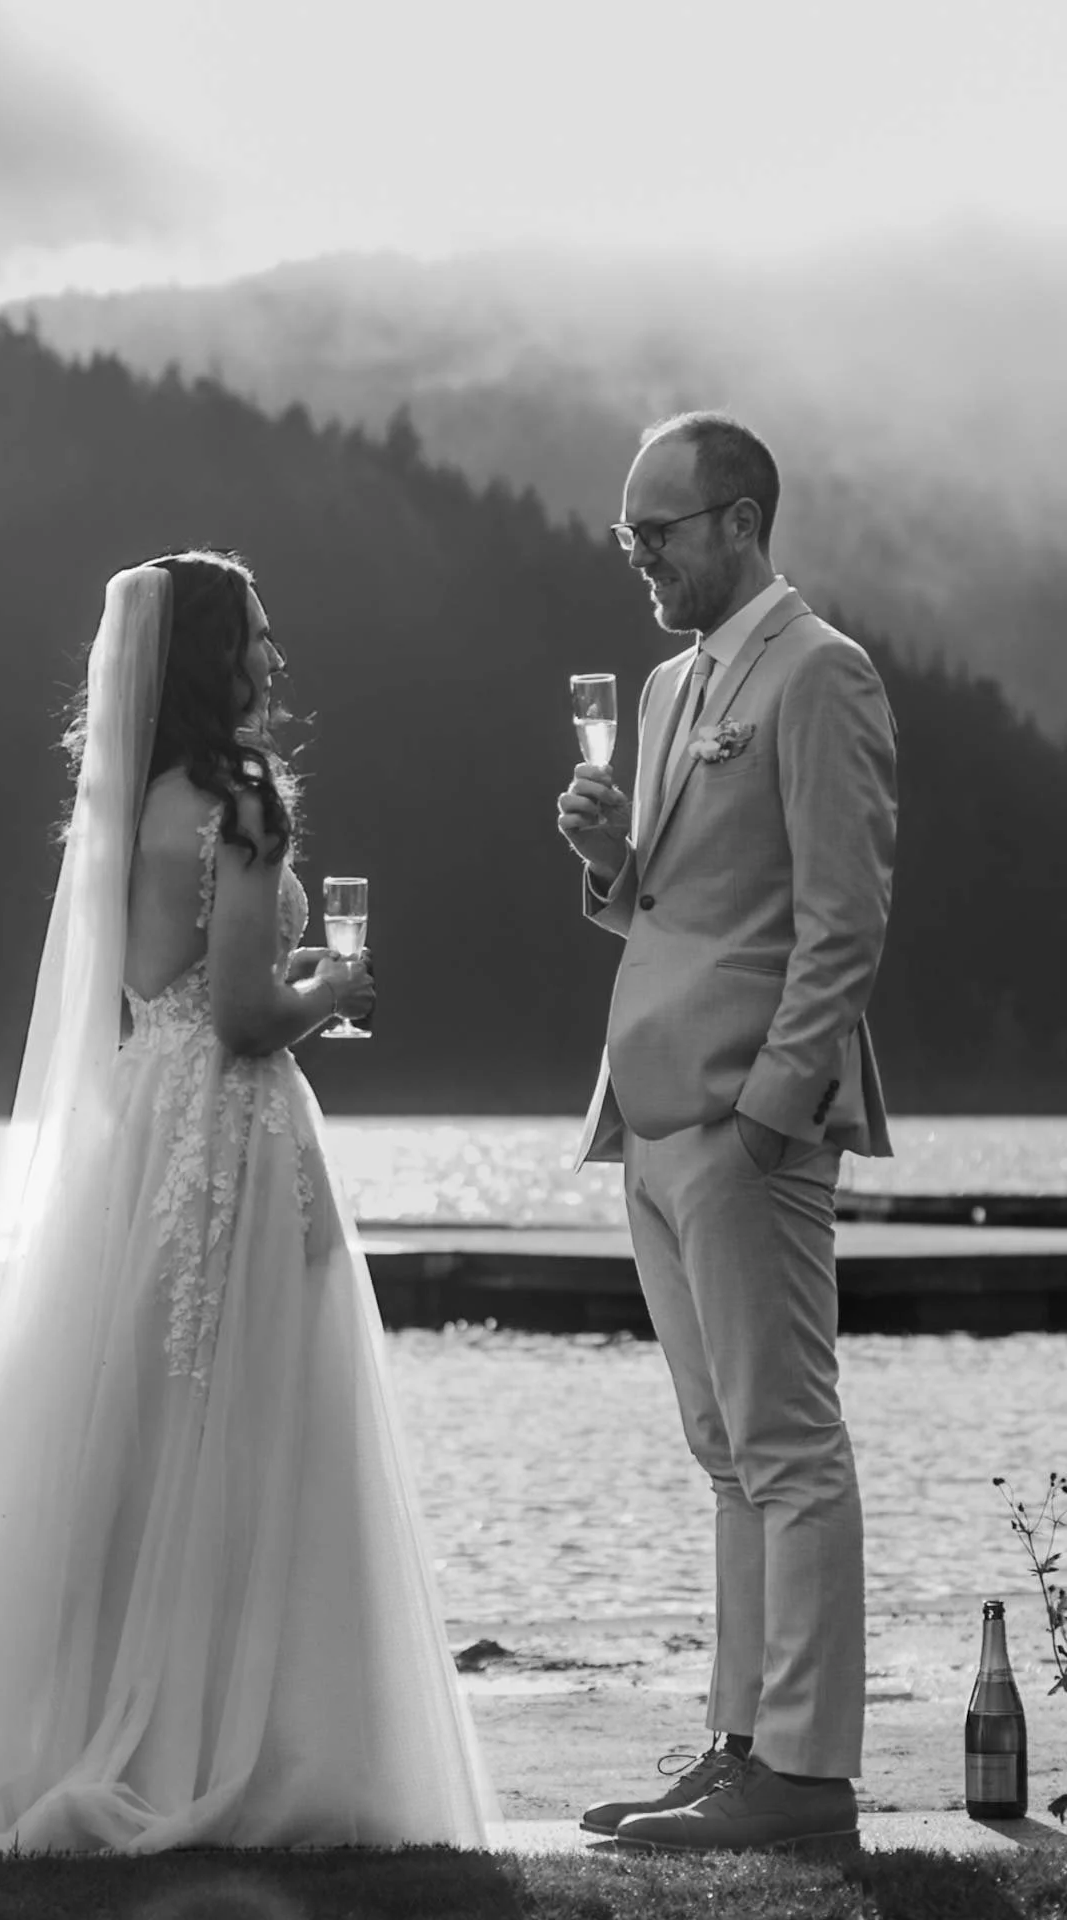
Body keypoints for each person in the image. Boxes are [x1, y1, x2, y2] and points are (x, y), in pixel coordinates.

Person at [0, 551, 495, 1856]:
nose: (275, 659)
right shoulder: (243, 802)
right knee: (243, 1433)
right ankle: (232, 1738)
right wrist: (333, 991)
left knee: (137, 1437)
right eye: (258, 638)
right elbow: (237, 1016)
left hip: (138, 1119)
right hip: (225, 1129)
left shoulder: (126, 801)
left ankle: (107, 1712)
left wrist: (279, 980)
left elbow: (161, 987)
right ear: (211, 658)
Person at [558, 414, 896, 1856]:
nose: (636, 553)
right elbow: (673, 907)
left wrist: (771, 1111)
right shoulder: (664, 683)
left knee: (789, 1444)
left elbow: (845, 920)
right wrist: (608, 867)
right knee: (723, 1448)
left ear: (741, 521)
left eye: (660, 530)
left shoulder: (822, 674)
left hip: (748, 1127)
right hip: (647, 1114)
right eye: (628, 531)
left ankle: (806, 1773)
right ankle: (740, 1743)